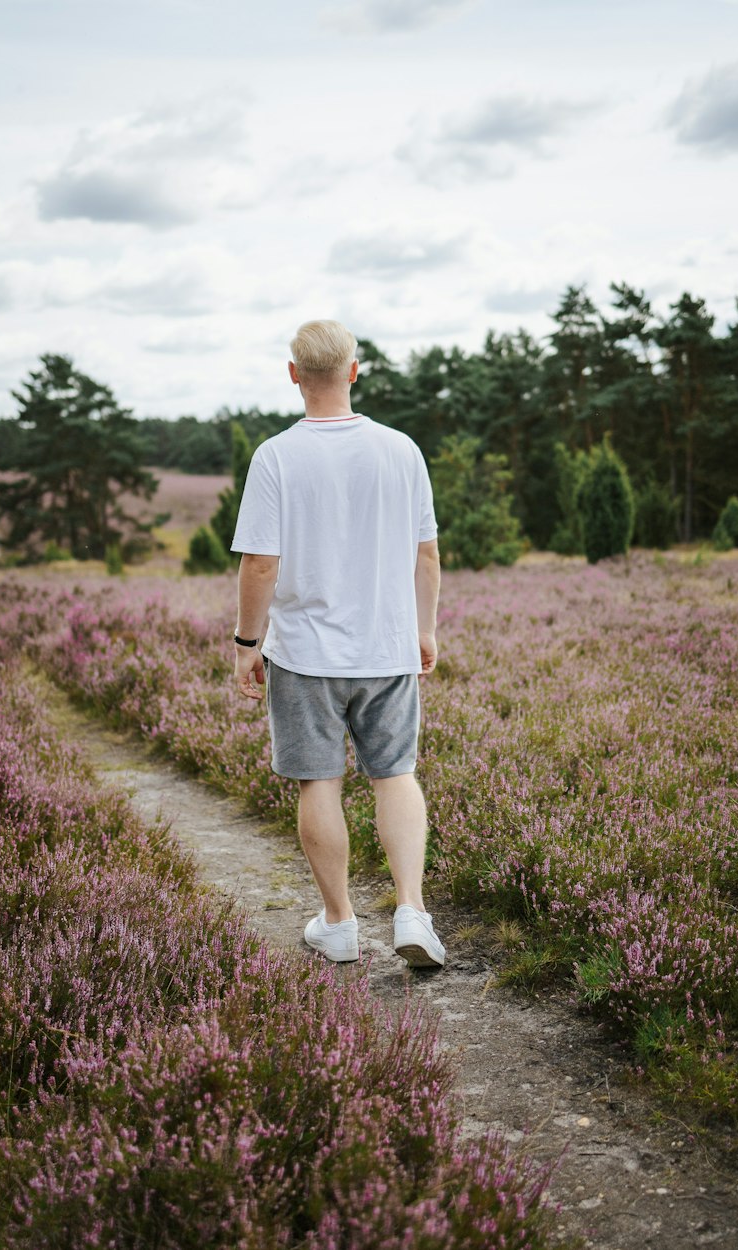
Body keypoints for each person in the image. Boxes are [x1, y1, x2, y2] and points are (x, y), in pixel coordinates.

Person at [231, 319, 445, 968]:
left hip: (304, 655)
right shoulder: (401, 449)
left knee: (318, 783)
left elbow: (260, 565)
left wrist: (247, 642)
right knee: (395, 774)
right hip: (386, 648)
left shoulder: (275, 456)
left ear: (293, 374)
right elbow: (427, 554)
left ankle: (340, 923)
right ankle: (411, 909)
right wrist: (424, 629)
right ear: (354, 371)